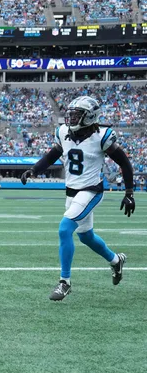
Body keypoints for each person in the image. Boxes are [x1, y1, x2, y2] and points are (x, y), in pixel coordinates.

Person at [21, 96, 135, 301]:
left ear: (89, 117)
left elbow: (125, 163)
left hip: (91, 190)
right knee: (86, 236)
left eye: (76, 114)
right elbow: (52, 155)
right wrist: (34, 170)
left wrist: (129, 193)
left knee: (65, 229)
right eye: (71, 113)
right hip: (72, 192)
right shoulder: (63, 132)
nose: (71, 118)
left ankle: (64, 282)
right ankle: (116, 260)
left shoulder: (101, 137)